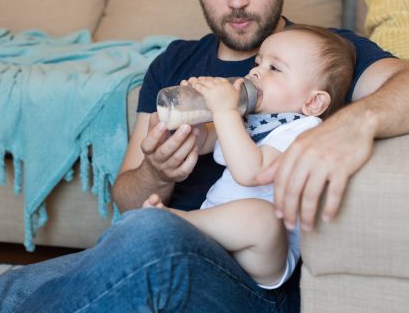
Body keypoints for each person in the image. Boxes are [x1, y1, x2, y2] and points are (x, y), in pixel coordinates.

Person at [0, 0, 409, 312]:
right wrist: (157, 171)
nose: (236, 1)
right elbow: (127, 200)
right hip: (152, 245)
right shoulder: (174, 65)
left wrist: (355, 122)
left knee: (147, 239)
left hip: (248, 282)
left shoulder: (325, 53)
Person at [142, 24, 356, 290]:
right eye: (258, 63)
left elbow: (251, 172)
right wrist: (194, 115)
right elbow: (206, 141)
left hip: (263, 255)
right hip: (219, 244)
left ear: (313, 103)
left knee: (261, 218)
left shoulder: (302, 129)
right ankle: (183, 232)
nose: (255, 71)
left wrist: (225, 111)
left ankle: (179, 222)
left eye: (274, 68)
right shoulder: (249, 119)